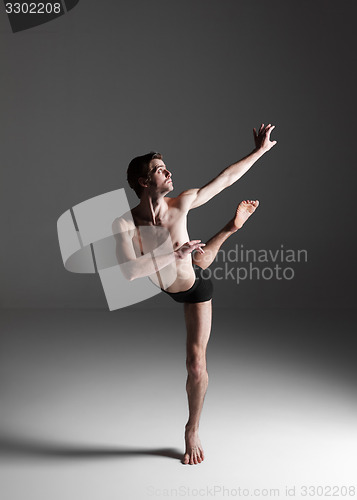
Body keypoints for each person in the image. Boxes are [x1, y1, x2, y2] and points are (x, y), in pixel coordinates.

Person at [113, 124, 277, 465]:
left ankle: (192, 428)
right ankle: (214, 240)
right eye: (159, 170)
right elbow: (129, 272)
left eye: (165, 166)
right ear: (144, 182)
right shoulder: (124, 224)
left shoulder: (182, 202)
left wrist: (259, 151)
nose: (168, 172)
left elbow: (225, 180)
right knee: (193, 256)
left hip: (193, 290)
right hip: (177, 266)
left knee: (195, 365)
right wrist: (172, 254)